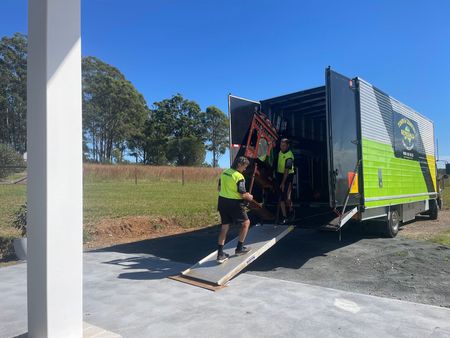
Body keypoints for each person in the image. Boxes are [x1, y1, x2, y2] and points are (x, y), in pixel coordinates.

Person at [216, 156, 254, 263]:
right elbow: (242, 194)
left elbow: (218, 188)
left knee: (224, 227)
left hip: (222, 202)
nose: (245, 169)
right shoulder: (239, 177)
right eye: (244, 166)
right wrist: (249, 197)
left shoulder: (224, 172)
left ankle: (220, 254)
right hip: (234, 204)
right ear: (239, 165)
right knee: (246, 223)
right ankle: (239, 248)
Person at [276, 138, 295, 224]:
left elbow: (287, 170)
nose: (281, 147)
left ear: (288, 146)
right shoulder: (279, 152)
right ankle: (284, 216)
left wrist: (283, 183)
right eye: (281, 145)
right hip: (280, 175)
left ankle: (291, 211)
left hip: (288, 176)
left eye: (283, 145)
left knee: (287, 197)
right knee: (281, 197)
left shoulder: (289, 156)